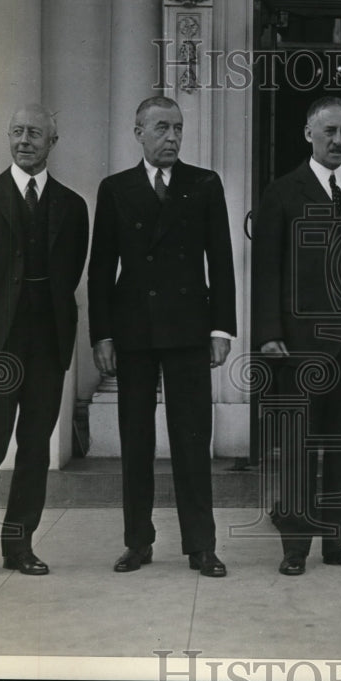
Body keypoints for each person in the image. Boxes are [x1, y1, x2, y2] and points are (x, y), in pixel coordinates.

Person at [88, 97, 237, 577]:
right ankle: (138, 541)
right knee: (136, 440)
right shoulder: (115, 189)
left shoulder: (204, 184)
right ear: (138, 132)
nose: (171, 137)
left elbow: (223, 261)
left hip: (190, 329)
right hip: (132, 332)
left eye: (177, 128)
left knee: (192, 440)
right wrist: (102, 335)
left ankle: (201, 545)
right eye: (160, 128)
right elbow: (99, 271)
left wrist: (221, 328)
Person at [0, 104, 89, 579]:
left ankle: (21, 546)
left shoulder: (71, 205)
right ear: (8, 137)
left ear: (53, 141)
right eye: (17, 132)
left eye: (35, 133)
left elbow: (70, 271)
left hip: (46, 344)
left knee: (34, 448)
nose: (24, 140)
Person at [251, 96, 341, 576]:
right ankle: (295, 546)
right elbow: (266, 269)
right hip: (299, 344)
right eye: (329, 131)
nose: (338, 141)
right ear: (308, 134)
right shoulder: (283, 192)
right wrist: (269, 332)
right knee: (298, 447)